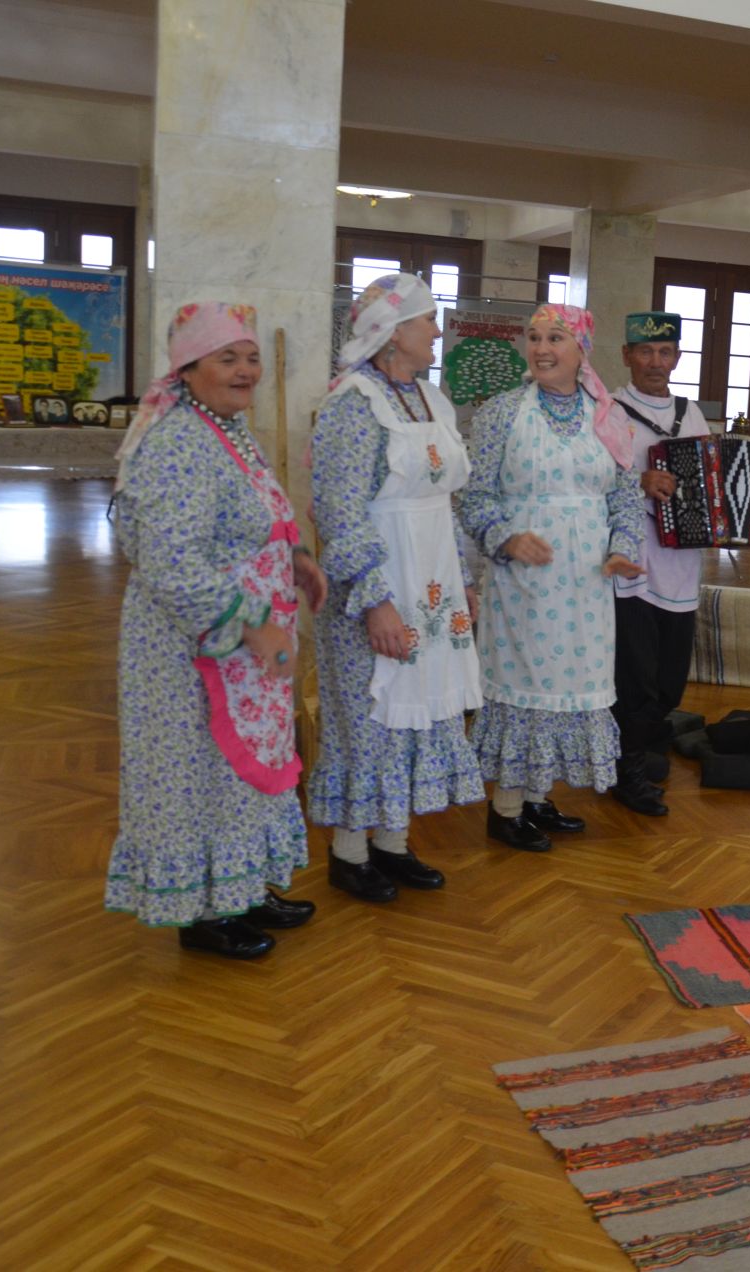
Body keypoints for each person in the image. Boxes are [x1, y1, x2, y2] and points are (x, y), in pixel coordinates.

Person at [104, 301, 328, 958]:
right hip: (188, 648)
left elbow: (251, 520)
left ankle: (245, 888)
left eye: (251, 356)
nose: (246, 370)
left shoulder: (224, 428)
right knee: (197, 775)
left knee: (242, 772)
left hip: (238, 649)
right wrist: (249, 625)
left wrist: (295, 561)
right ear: (189, 366)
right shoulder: (178, 440)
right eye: (227, 357)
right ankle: (203, 913)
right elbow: (171, 562)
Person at [306, 273, 484, 903]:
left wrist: (464, 580)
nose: (438, 331)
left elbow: (446, 501)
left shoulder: (435, 400)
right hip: (379, 581)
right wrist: (375, 600)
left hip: (433, 578)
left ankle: (393, 842)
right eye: (428, 320)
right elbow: (338, 510)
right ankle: (349, 854)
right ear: (393, 332)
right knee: (372, 713)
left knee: (424, 709)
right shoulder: (352, 405)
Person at [460, 304, 644, 852]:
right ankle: (506, 808)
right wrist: (505, 538)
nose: (541, 348)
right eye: (535, 337)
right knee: (527, 683)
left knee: (569, 686)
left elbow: (625, 498)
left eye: (556, 338)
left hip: (587, 582)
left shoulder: (608, 416)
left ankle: (539, 796)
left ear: (581, 348)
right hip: (524, 578)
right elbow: (475, 498)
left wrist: (623, 548)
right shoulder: (501, 413)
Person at [607, 311, 750, 815]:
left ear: (677, 358)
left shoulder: (689, 414)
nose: (655, 362)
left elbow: (716, 481)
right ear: (627, 355)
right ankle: (626, 770)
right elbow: (590, 482)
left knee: (668, 680)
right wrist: (637, 483)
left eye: (665, 352)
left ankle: (636, 752)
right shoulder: (608, 412)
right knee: (635, 677)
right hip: (631, 566)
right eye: (645, 351)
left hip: (683, 568)